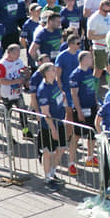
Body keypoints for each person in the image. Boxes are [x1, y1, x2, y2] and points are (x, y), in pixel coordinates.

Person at [36, 62, 67, 191]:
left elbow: (59, 97)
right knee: (48, 152)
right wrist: (53, 129)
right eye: (53, 70)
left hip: (59, 121)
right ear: (47, 73)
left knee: (61, 148)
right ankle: (47, 178)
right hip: (48, 126)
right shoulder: (43, 90)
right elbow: (46, 113)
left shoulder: (54, 83)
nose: (55, 71)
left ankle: (53, 172)